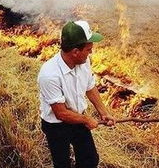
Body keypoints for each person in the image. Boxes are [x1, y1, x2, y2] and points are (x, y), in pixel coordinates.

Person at [38, 20, 116, 168]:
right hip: (56, 126)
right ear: (75, 51)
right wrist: (86, 120)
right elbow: (61, 113)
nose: (91, 52)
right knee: (62, 164)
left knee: (90, 159)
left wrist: (103, 112)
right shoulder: (49, 75)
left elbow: (90, 87)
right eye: (88, 49)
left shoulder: (84, 61)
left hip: (78, 118)